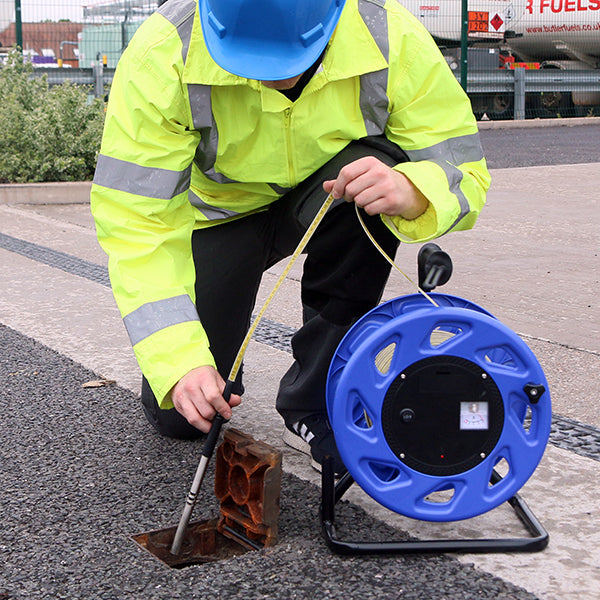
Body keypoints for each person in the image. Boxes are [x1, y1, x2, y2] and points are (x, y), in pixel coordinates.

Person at [90, 0, 490, 474]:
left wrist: (414, 191)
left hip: (331, 196)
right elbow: (139, 224)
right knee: (183, 415)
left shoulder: (390, 34)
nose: (271, 81)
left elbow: (463, 171)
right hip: (219, 217)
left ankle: (317, 401)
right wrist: (179, 362)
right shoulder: (164, 49)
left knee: (369, 178)